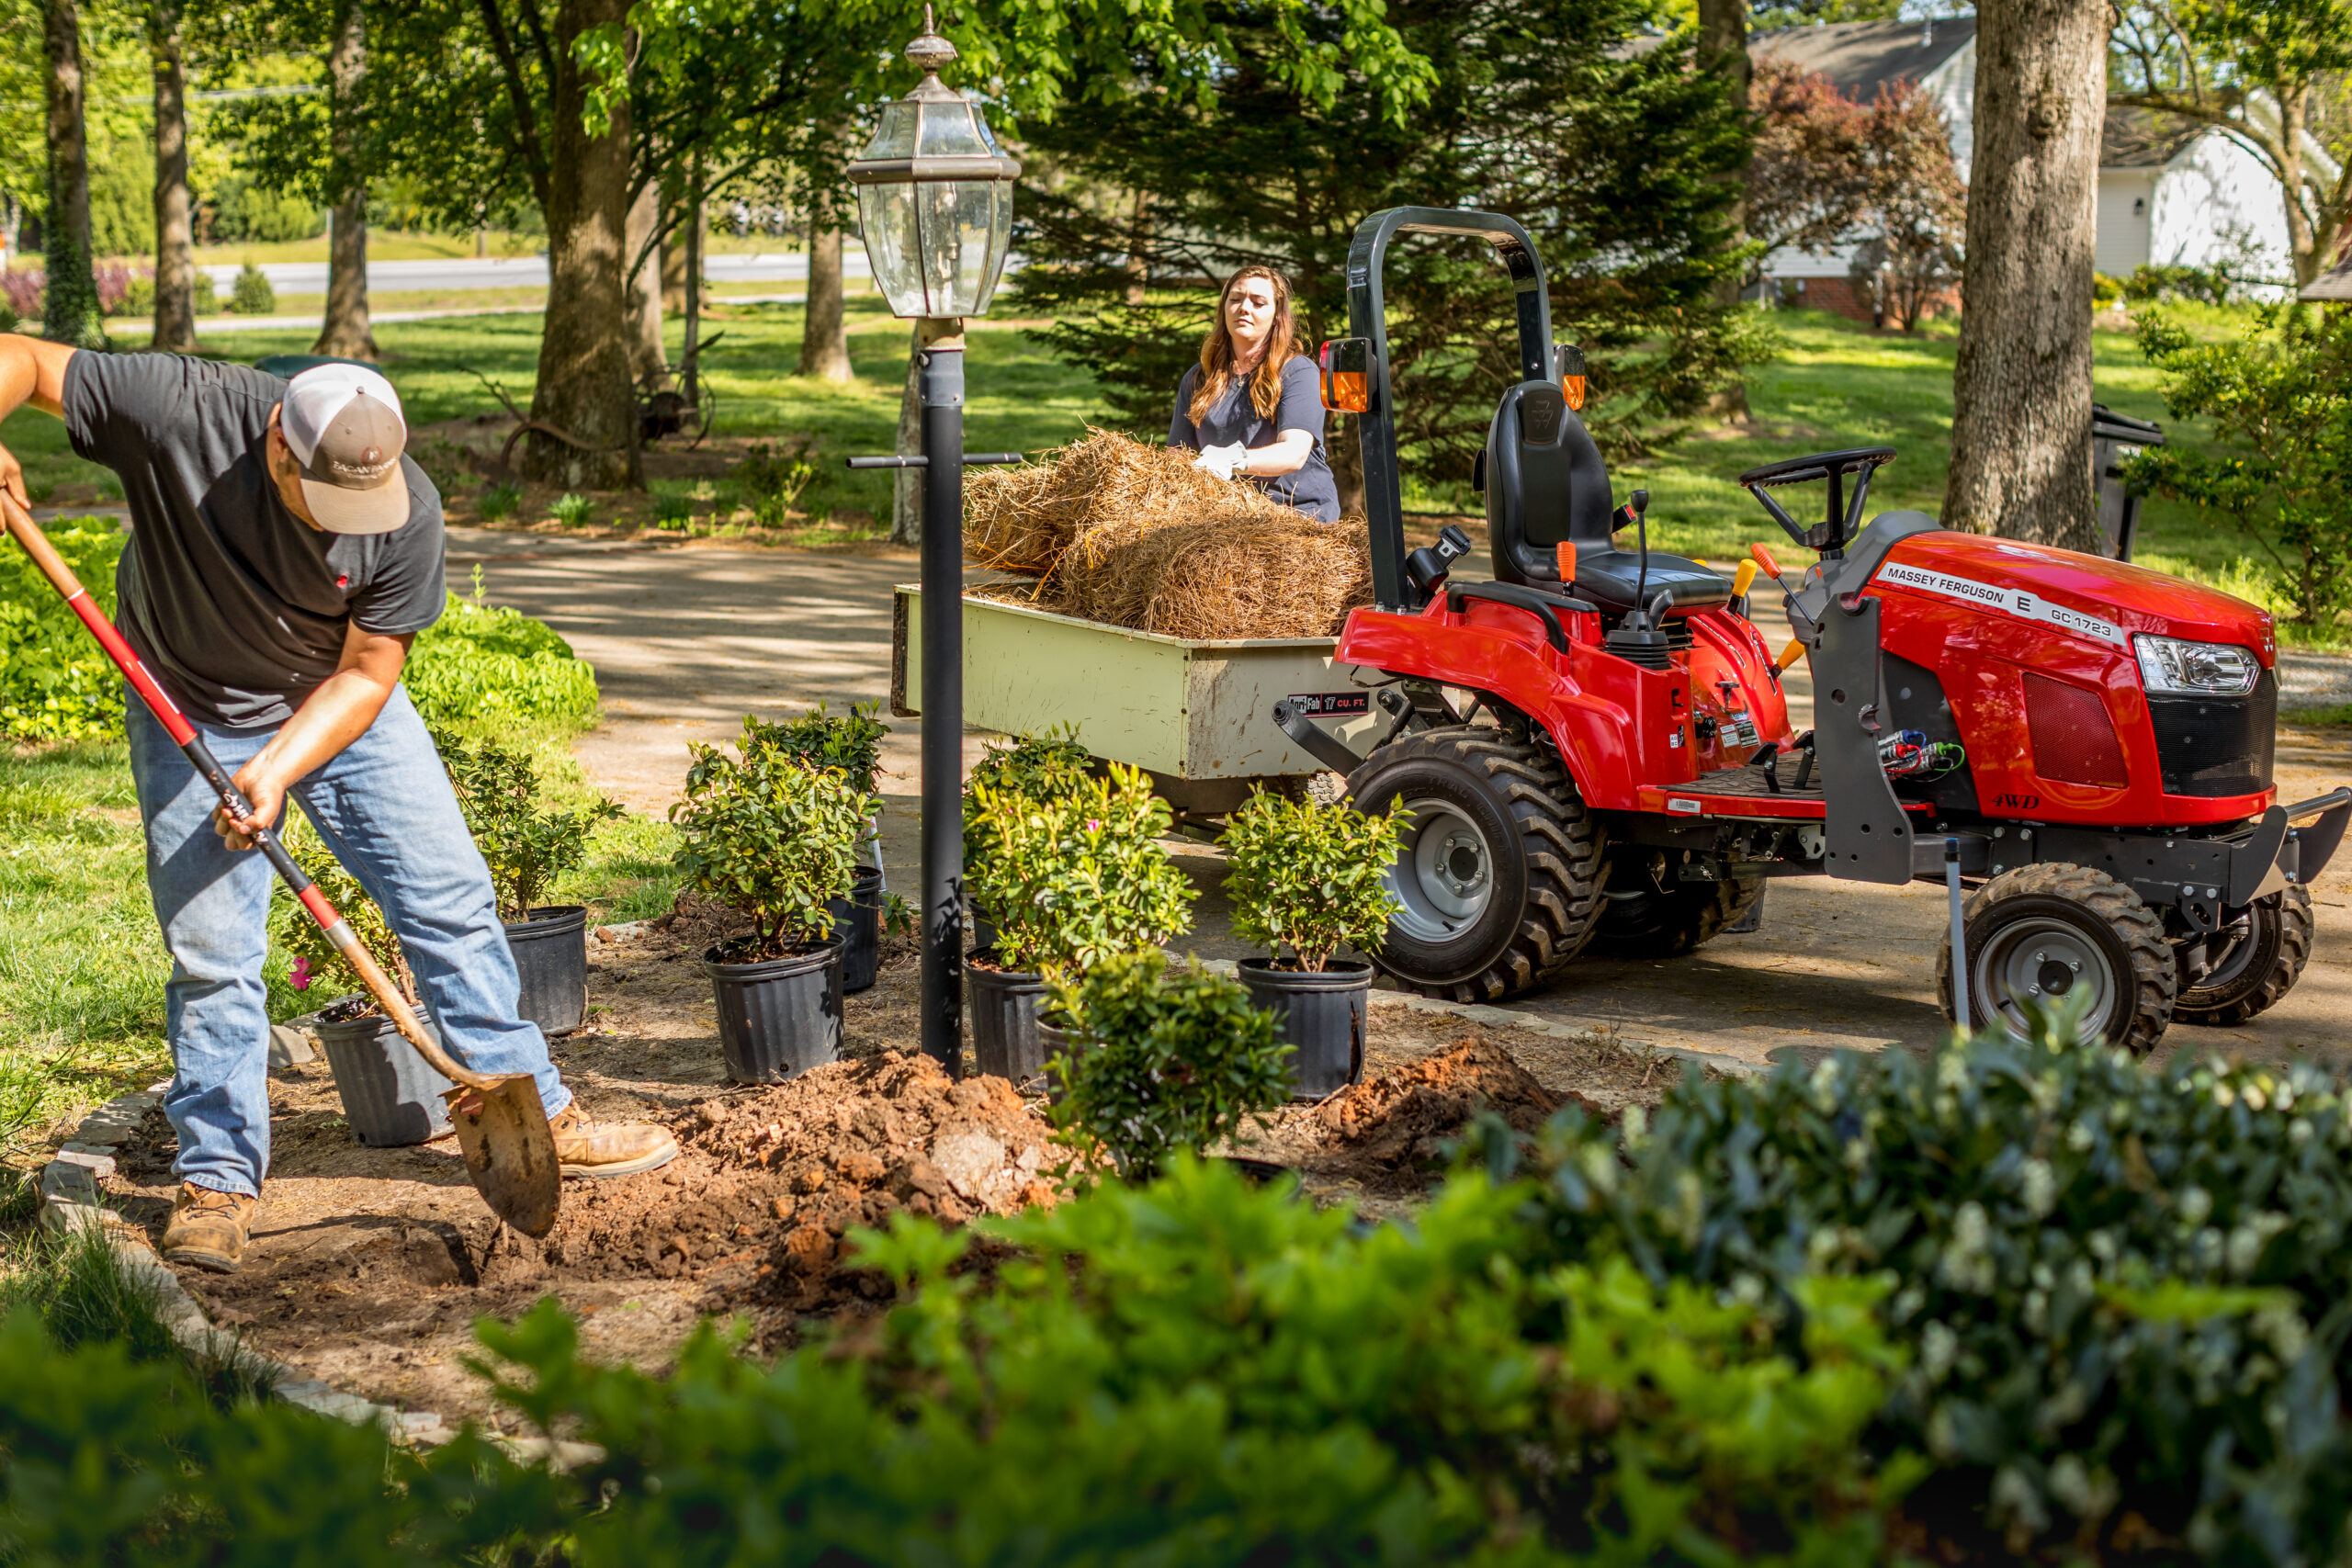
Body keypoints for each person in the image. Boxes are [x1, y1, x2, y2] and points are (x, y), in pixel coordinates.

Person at [0, 337, 678, 1274]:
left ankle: (541, 1114)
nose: (343, 524)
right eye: (324, 499)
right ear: (278, 439)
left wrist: (276, 767)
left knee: (448, 895)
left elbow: (367, 672)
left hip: (338, 700)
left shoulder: (408, 512)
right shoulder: (179, 407)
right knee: (213, 954)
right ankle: (219, 1178)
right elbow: (21, 359)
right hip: (187, 696)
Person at [1168, 265, 1341, 522]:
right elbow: (1177, 457)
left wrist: (1233, 458)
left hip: (1298, 516)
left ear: (1277, 317)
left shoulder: (1298, 372)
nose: (1244, 308)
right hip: (1227, 518)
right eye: (1235, 299)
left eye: (1258, 303)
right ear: (1224, 309)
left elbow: (1294, 453)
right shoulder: (1199, 377)